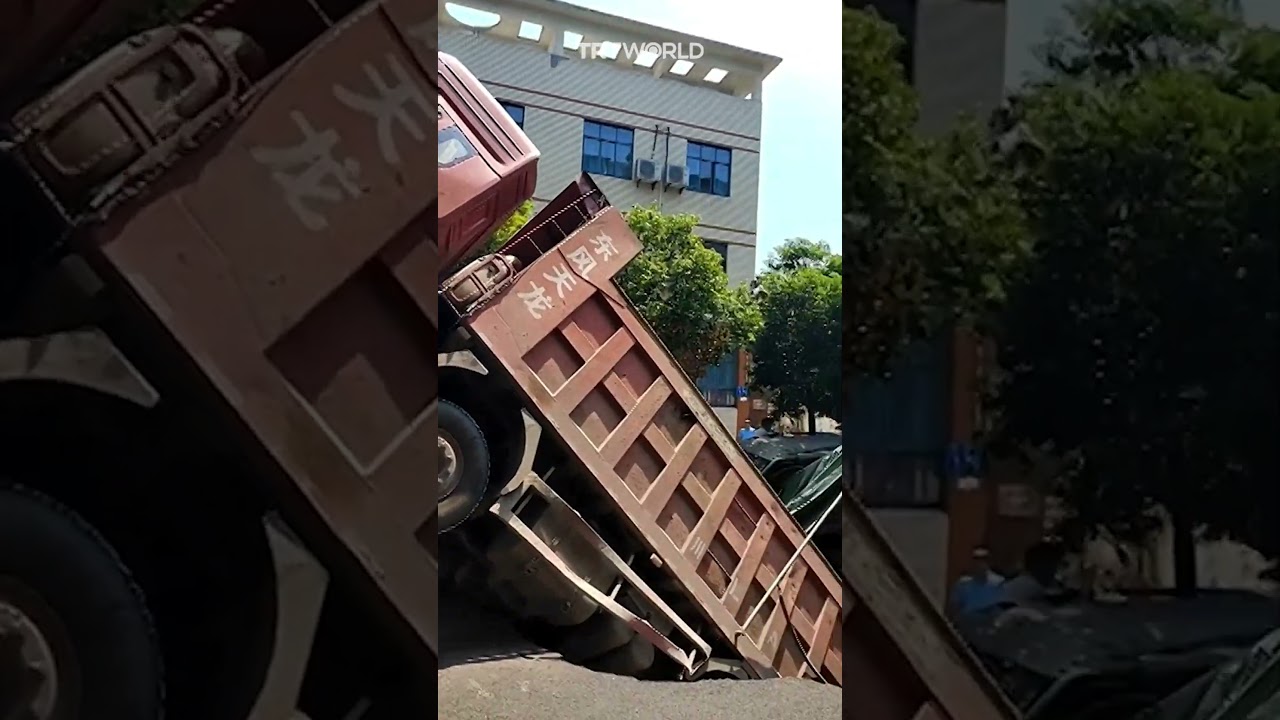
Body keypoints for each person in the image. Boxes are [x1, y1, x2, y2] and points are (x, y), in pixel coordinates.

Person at [948, 546, 1007, 617]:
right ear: (971, 561)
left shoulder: (998, 583)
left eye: (984, 559)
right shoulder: (962, 584)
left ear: (989, 562)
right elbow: (954, 610)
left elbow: (1002, 610)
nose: (980, 563)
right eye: (977, 559)